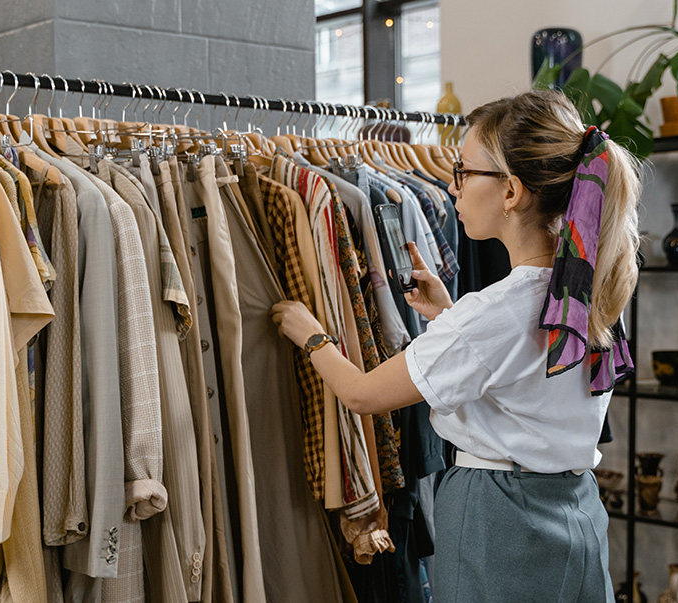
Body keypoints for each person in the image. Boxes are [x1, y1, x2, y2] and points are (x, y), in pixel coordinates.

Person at [271, 89, 641, 602]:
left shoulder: (497, 310)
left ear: (511, 191)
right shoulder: (587, 286)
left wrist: (306, 330)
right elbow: (523, 380)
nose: (452, 186)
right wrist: (448, 315)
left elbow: (361, 395)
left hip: (501, 513)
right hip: (574, 506)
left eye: (464, 171)